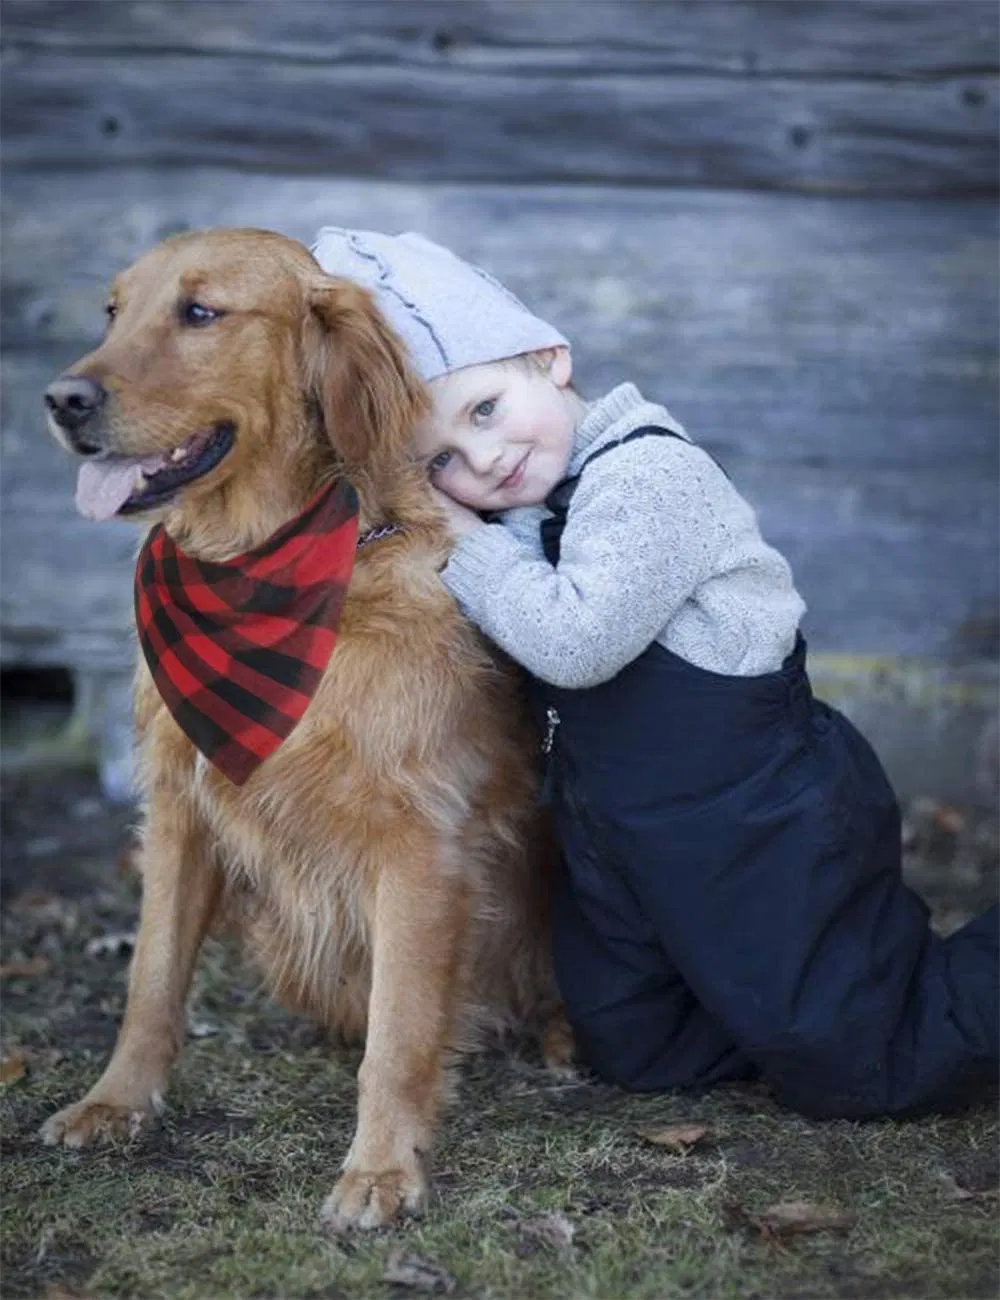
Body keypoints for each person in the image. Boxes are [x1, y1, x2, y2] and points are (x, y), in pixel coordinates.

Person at [311, 227, 999, 1120]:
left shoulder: (649, 477)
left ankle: (845, 1008)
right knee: (636, 1045)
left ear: (549, 358)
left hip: (755, 819)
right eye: (440, 461)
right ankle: (749, 1005)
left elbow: (575, 643)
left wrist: (463, 542)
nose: (481, 460)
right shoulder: (528, 510)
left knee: (862, 1062)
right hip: (622, 836)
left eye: (484, 410)